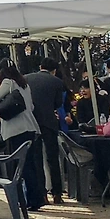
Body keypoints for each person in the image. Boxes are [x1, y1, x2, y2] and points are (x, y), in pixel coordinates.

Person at [0, 61, 45, 211]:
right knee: (30, 164)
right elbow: (31, 106)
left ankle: (28, 200)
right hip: (30, 127)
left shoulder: (7, 82)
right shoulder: (24, 84)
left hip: (16, 129)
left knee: (21, 166)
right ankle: (36, 198)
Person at [25, 61, 70, 204]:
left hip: (33, 121)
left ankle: (42, 193)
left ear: (40, 67)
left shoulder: (26, 78)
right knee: (53, 158)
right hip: (49, 122)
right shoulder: (57, 82)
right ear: (54, 70)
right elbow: (58, 103)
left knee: (36, 158)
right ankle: (57, 193)